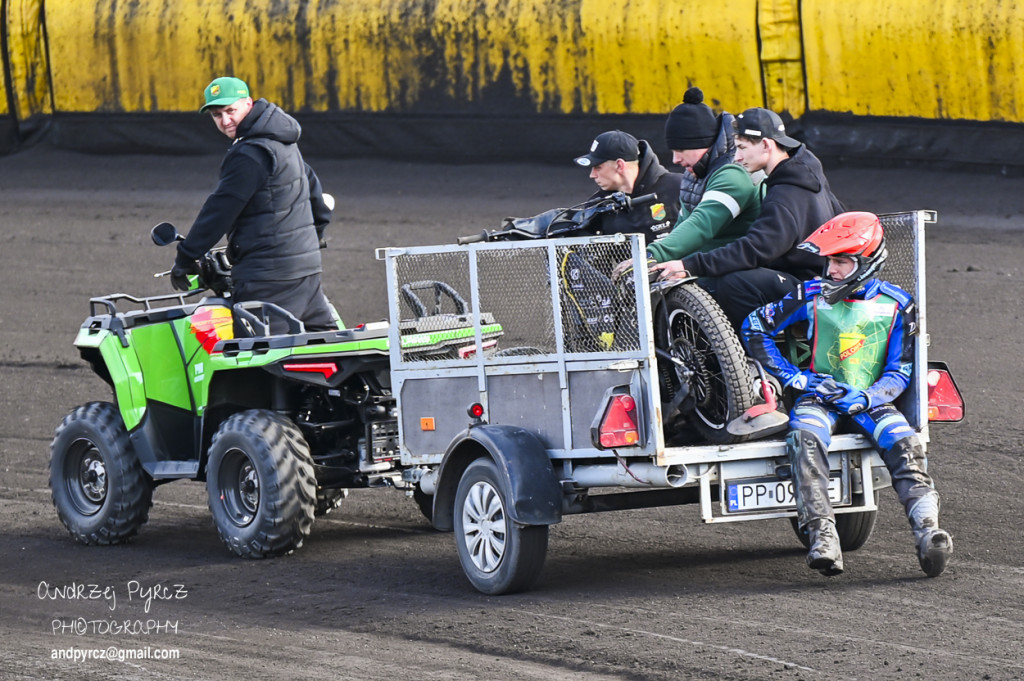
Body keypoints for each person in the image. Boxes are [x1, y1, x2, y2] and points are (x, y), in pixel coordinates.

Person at [741, 211, 953, 578]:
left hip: (870, 399)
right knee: (804, 439)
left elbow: (901, 370)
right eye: (829, 260)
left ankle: (929, 533)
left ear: (867, 263)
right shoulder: (810, 294)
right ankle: (823, 537)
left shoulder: (899, 305)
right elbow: (754, 326)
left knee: (905, 445)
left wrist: (870, 397)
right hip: (818, 396)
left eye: (841, 260)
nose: (831, 269)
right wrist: (796, 380)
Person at [651, 106, 844, 330]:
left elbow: (756, 248)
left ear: (766, 145)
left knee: (734, 284)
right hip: (820, 279)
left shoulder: (786, 192)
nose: (737, 156)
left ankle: (749, 359)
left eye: (742, 147)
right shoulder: (806, 174)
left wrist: (690, 265)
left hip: (807, 287)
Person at [171, 76, 337, 334]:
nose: (225, 120)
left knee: (261, 361)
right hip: (305, 271)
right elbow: (313, 191)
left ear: (248, 104)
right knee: (325, 350)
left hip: (269, 277)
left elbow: (221, 208)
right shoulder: (282, 140)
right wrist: (313, 239)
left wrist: (187, 255)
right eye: (217, 115)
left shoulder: (250, 152)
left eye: (230, 111)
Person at [641, 87, 759, 265]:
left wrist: (650, 256)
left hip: (739, 270)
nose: (675, 159)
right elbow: (682, 227)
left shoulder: (733, 175)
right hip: (709, 267)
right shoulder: (695, 176)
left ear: (703, 144)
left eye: (681, 150)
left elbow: (701, 225)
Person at [573, 129, 683, 244]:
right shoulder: (597, 206)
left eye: (598, 167)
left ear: (620, 165)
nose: (592, 175)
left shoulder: (679, 187)